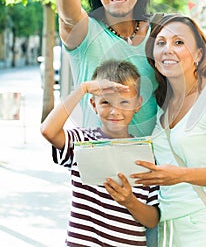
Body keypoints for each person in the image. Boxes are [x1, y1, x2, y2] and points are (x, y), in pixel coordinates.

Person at [131, 14, 206, 247]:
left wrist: (180, 175)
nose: (167, 49)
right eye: (161, 43)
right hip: (168, 229)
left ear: (198, 54)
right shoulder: (163, 103)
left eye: (179, 42)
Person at [40, 59, 160, 247]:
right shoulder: (81, 142)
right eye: (106, 102)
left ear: (137, 105)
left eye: (124, 102)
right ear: (93, 105)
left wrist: (129, 201)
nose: (115, 111)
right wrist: (83, 89)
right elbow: (48, 130)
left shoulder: (146, 154)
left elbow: (152, 219)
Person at [54, 0, 158, 137]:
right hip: (98, 160)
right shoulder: (85, 32)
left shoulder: (159, 36)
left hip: (151, 161)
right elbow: (69, 18)